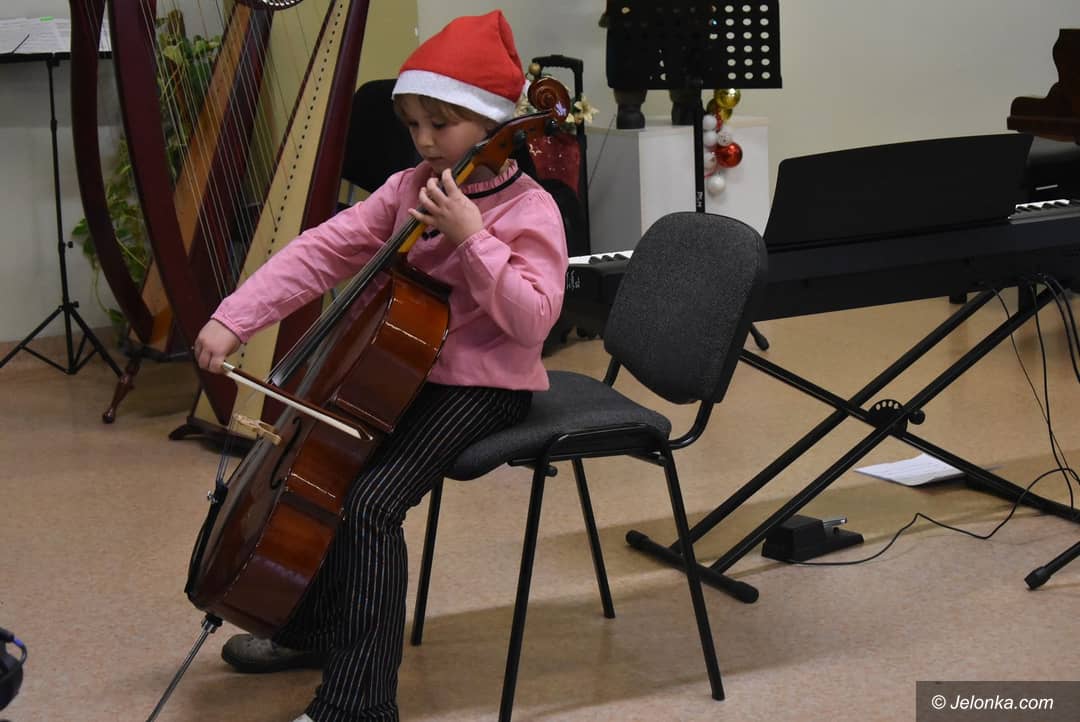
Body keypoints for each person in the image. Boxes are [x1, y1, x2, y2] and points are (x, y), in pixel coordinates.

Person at [192, 11, 568, 722]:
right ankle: (314, 629)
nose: (424, 141)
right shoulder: (406, 189)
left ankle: (359, 704)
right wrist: (234, 317)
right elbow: (322, 250)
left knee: (371, 504)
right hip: (402, 374)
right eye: (414, 125)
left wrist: (472, 239)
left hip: (484, 386)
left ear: (493, 123)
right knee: (328, 479)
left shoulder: (530, 209)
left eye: (441, 125)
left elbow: (533, 320)